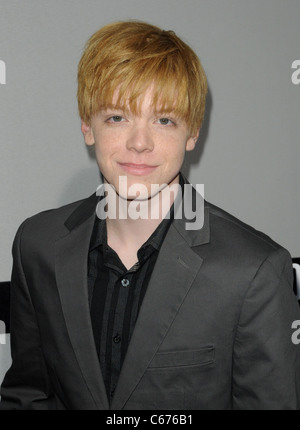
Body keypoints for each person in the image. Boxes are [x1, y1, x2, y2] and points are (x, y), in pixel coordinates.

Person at [1, 20, 299, 410]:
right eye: (117, 117)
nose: (140, 143)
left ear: (192, 133)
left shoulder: (254, 271)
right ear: (87, 126)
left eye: (163, 120)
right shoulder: (36, 245)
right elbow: (28, 396)